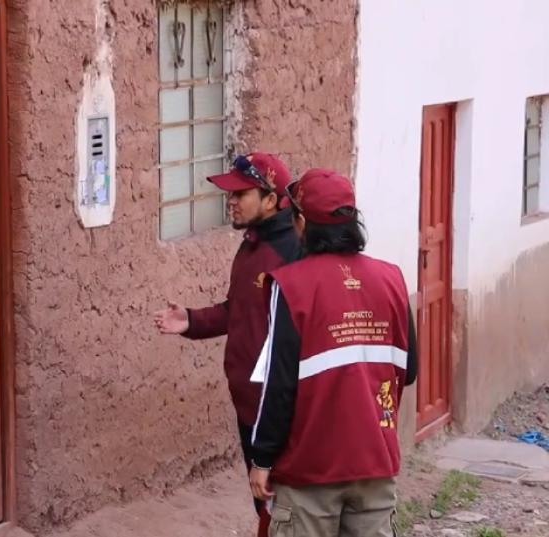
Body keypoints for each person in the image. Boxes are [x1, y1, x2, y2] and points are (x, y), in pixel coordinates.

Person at [247, 168, 419, 537]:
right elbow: (411, 368)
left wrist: (261, 458)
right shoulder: (392, 279)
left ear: (303, 222)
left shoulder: (291, 285)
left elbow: (279, 386)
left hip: (310, 469)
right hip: (375, 461)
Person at [154, 152, 301, 537]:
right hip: (249, 406)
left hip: (279, 412)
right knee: (265, 507)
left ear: (270, 199)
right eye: (230, 193)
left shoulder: (292, 254)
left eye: (241, 194)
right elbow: (239, 310)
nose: (230, 200)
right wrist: (192, 320)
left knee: (284, 511)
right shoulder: (251, 246)